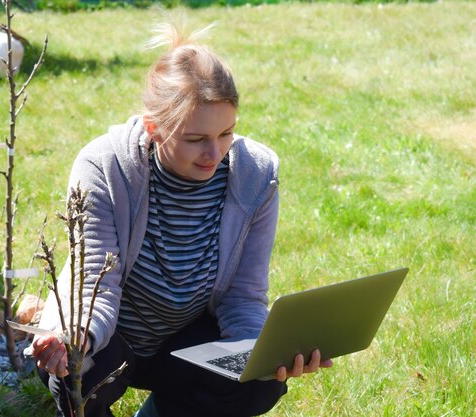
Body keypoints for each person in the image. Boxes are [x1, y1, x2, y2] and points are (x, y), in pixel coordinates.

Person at [31, 21, 333, 417]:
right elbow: (94, 284)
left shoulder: (255, 176)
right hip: (109, 338)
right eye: (195, 139)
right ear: (155, 128)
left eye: (227, 133)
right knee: (77, 380)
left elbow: (244, 296)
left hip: (186, 341)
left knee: (256, 389)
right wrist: (75, 337)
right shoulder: (104, 167)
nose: (215, 153)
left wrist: (266, 357)